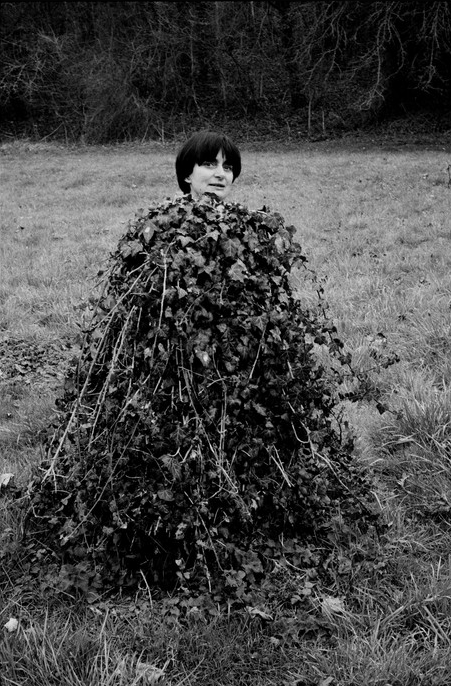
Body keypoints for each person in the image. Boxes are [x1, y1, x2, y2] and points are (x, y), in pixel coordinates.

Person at [175, 130, 241, 201]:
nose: (221, 174)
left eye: (227, 168)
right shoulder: (166, 212)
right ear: (187, 174)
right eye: (209, 165)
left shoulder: (244, 212)